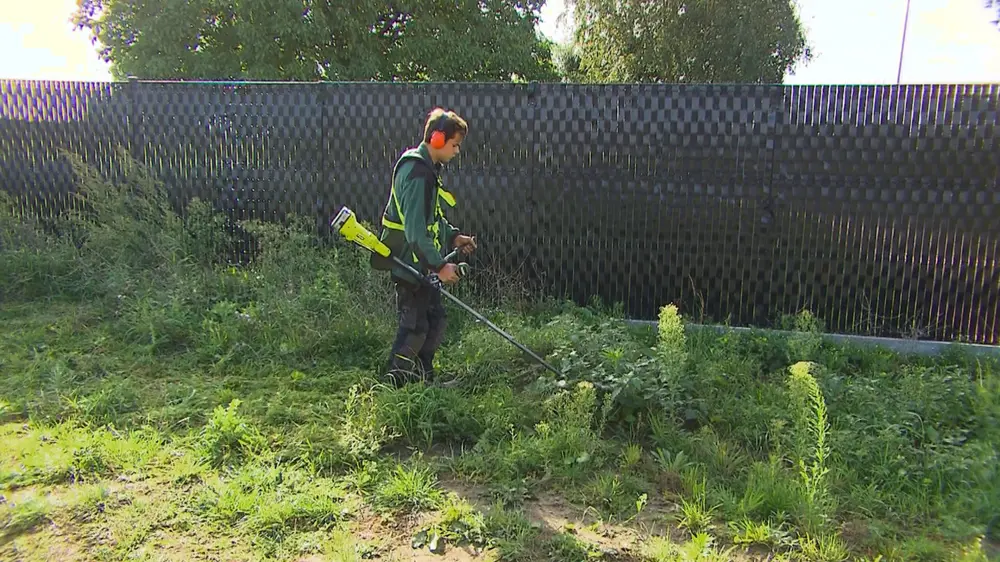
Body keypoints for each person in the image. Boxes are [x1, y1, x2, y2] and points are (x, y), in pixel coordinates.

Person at [372, 107, 477, 387]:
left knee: (435, 320)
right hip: (408, 262)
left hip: (422, 263)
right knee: (415, 328)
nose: (456, 151)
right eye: (454, 145)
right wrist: (441, 266)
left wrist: (454, 237)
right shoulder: (416, 172)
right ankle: (394, 386)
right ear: (438, 139)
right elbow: (416, 231)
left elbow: (433, 220)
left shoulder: (429, 170)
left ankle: (423, 381)